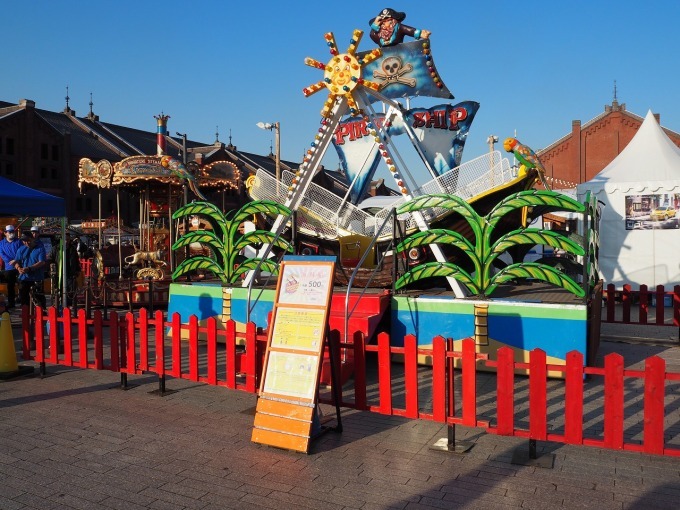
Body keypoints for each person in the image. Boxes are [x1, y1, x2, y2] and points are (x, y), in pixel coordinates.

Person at [14, 232, 47, 310]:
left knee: (39, 299)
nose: (26, 243)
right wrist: (19, 268)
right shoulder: (21, 249)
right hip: (24, 278)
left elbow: (42, 262)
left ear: (32, 239)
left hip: (36, 278)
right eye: (24, 241)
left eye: (28, 240)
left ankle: (42, 315)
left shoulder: (40, 248)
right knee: (24, 300)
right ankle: (26, 316)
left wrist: (29, 268)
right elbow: (16, 261)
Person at [0, 224, 22, 308]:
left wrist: (16, 260)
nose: (11, 233)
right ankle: (11, 303)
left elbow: (21, 252)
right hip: (9, 268)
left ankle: (22, 302)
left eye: (13, 231)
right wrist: (12, 262)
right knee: (10, 286)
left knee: (22, 284)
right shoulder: (1, 243)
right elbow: (2, 254)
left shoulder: (19, 242)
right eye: (9, 232)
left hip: (20, 266)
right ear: (5, 233)